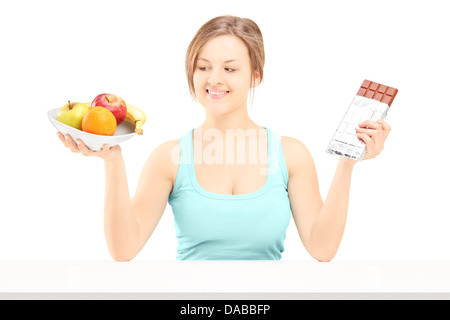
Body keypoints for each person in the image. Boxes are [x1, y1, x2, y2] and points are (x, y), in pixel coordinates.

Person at [57, 15, 391, 261]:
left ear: (255, 75)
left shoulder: (291, 154)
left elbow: (322, 248)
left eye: (230, 68)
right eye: (203, 67)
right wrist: (113, 161)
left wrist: (349, 160)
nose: (214, 79)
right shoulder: (169, 157)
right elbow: (123, 249)